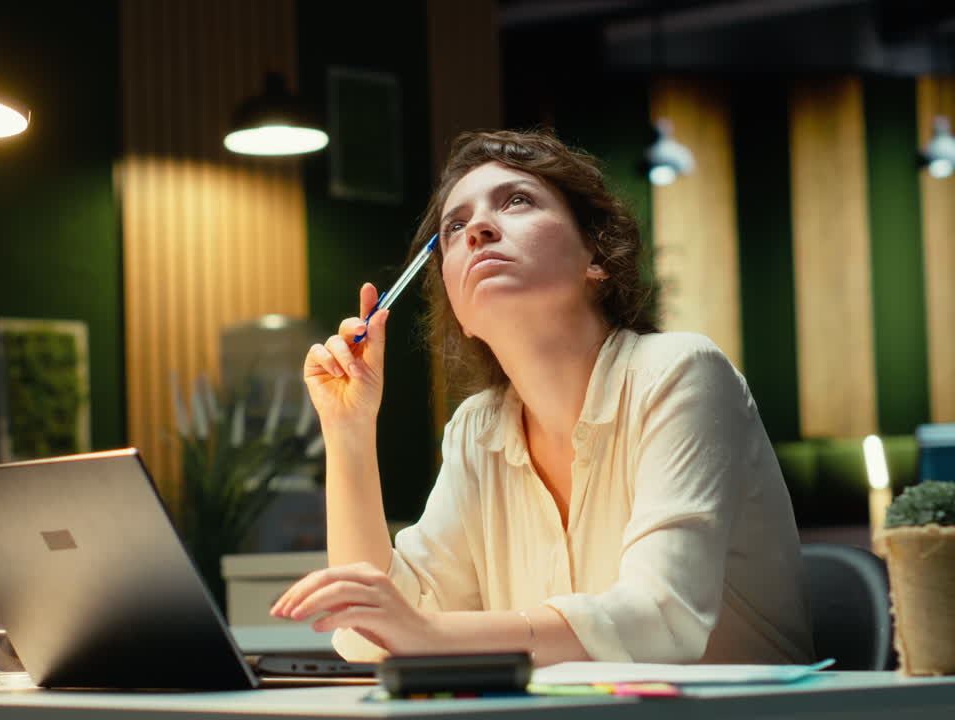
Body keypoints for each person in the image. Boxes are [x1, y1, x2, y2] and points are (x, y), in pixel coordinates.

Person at [271, 129, 814, 666]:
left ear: (596, 257)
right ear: (459, 306)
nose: (478, 228)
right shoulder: (477, 430)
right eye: (455, 226)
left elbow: (661, 620)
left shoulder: (680, 373)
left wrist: (426, 631)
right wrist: (348, 433)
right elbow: (366, 636)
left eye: (516, 201)